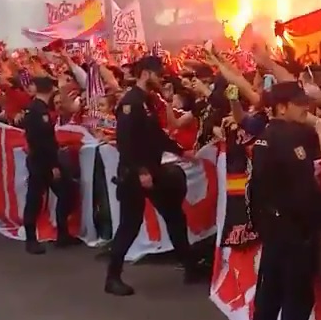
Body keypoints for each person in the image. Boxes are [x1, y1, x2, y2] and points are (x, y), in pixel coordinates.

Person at [247, 83, 321, 320]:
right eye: (300, 105)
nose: (307, 111)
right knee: (296, 297)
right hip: (293, 227)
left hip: (272, 225)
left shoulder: (264, 137)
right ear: (283, 107)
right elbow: (305, 190)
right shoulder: (291, 137)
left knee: (270, 291)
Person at [105, 55, 205, 298]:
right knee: (130, 225)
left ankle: (190, 266)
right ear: (146, 73)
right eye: (158, 74)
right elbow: (126, 143)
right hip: (135, 174)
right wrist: (140, 171)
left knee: (174, 215)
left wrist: (182, 151)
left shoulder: (147, 101)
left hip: (153, 170)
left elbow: (156, 135)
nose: (161, 79)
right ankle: (112, 277)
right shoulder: (131, 103)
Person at [22, 75, 81, 254]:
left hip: (40, 159)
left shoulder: (36, 108)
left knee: (66, 191)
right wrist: (53, 165)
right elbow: (44, 141)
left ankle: (62, 233)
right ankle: (32, 238)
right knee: (36, 199)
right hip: (43, 161)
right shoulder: (39, 111)